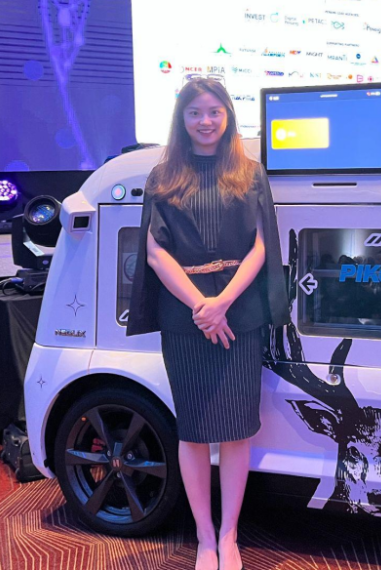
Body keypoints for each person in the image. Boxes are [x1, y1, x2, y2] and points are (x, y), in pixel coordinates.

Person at [127, 77, 290, 570]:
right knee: (194, 430)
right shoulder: (162, 176)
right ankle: (203, 538)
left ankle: (230, 535)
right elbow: (155, 253)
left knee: (237, 430)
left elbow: (261, 247)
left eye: (214, 111)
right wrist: (202, 305)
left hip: (239, 313)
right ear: (182, 118)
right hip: (185, 316)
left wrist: (222, 304)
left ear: (228, 116)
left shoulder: (250, 172)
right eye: (195, 112)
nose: (205, 121)